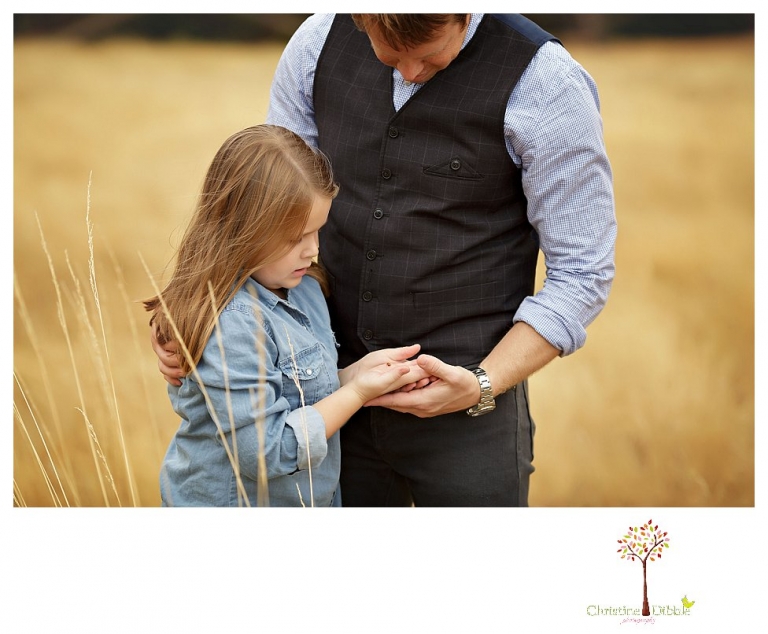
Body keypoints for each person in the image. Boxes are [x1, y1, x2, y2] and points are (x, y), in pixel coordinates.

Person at [153, 14, 617, 507]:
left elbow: (582, 273)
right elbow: (270, 206)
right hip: (323, 408)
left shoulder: (547, 83)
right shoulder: (315, 45)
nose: (411, 72)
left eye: (433, 52)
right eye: (390, 52)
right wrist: (191, 309)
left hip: (471, 425)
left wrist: (482, 383)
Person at [144, 124, 430, 507]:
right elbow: (267, 452)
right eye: (296, 237)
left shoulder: (306, 289)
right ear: (243, 230)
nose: (312, 251)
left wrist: (358, 375)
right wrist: (357, 393)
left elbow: (295, 393)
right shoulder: (233, 322)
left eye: (318, 232)